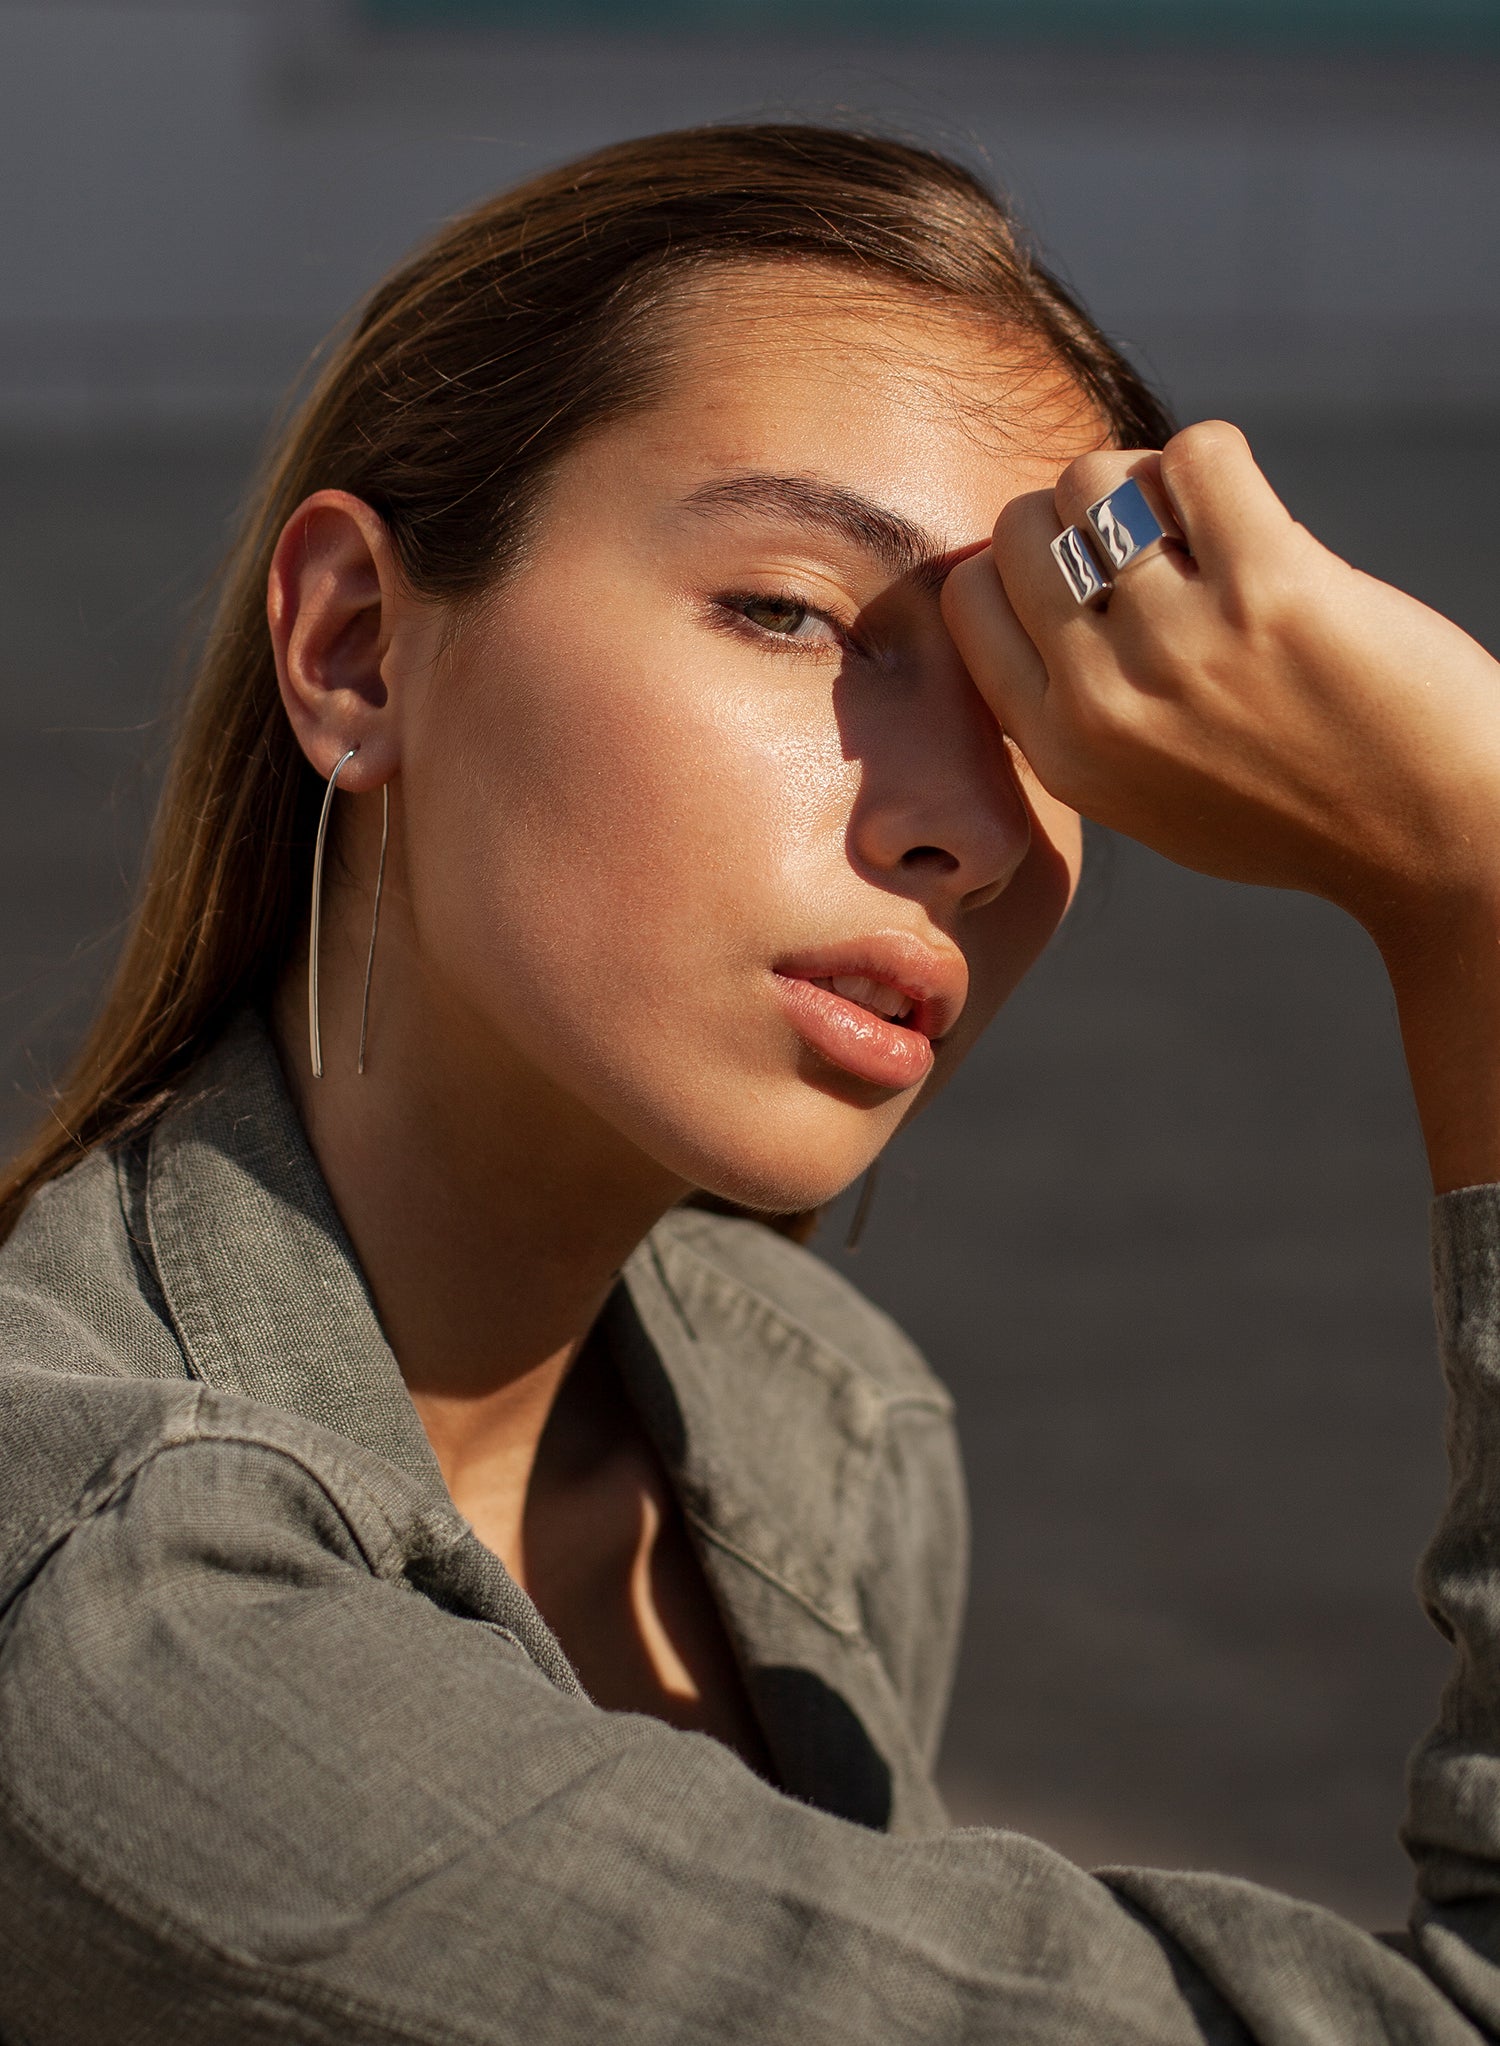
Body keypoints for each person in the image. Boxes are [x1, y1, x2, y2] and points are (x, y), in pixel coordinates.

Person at [1, 121, 1498, 2043]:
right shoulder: (139, 1646)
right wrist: (1466, 888)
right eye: (793, 614)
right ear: (357, 646)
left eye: (1035, 705)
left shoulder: (826, 1426)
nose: (959, 822)